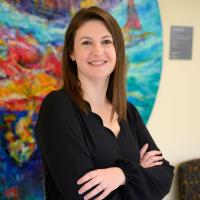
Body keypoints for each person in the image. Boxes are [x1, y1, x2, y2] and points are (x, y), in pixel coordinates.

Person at [35, 6, 174, 200]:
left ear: (117, 50)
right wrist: (141, 175)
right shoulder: (58, 107)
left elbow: (164, 176)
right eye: (86, 43)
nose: (98, 51)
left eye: (106, 41)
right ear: (71, 53)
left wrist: (121, 175)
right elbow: (83, 195)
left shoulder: (128, 111)